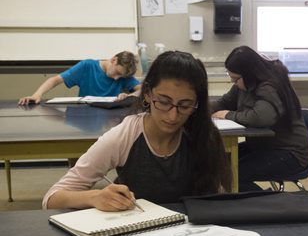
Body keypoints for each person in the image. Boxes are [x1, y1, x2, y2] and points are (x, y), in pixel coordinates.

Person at [43, 51, 232, 211]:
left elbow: (218, 197)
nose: (173, 116)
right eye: (164, 102)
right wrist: (94, 197)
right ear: (148, 94)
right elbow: (51, 198)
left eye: (185, 105)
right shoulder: (124, 136)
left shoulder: (203, 135)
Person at [211, 45, 308, 191]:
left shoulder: (269, 86)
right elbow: (223, 102)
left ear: (249, 73)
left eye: (235, 79)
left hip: (289, 152)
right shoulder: (244, 83)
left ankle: (266, 206)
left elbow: (261, 117)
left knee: (233, 175)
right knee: (220, 161)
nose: (234, 83)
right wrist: (199, 110)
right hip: (264, 146)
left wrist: (227, 114)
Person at [18, 51, 141, 105]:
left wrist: (129, 96)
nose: (117, 78)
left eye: (121, 76)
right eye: (117, 73)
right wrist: (36, 95)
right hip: (86, 117)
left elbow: (143, 89)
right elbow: (55, 80)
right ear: (114, 60)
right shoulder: (87, 66)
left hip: (112, 119)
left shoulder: (124, 75)